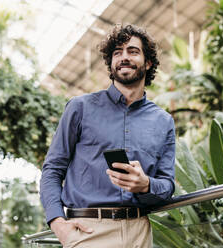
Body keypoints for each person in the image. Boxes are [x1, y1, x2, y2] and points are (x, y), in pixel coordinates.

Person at [40, 24, 176, 248]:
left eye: (132, 51)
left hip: (139, 232)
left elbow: (167, 185)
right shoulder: (79, 108)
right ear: (110, 63)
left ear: (148, 62)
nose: (124, 57)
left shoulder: (163, 121)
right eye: (117, 52)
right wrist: (58, 224)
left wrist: (145, 185)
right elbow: (52, 169)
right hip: (88, 232)